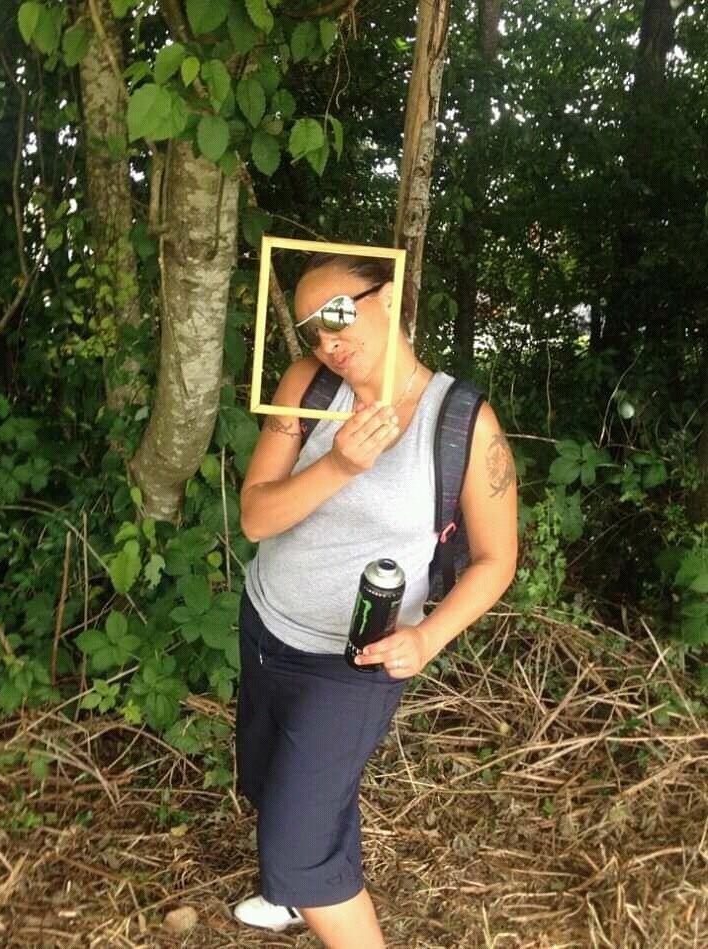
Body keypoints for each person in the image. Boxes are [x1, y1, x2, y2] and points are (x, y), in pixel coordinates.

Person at [233, 251, 517, 948]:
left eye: (337, 313)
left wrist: (428, 637)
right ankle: (295, 896)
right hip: (268, 625)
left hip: (356, 661)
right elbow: (257, 518)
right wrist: (338, 463)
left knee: (298, 847)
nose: (326, 338)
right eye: (311, 326)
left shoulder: (462, 422)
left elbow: (497, 559)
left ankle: (303, 884)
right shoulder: (308, 385)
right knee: (271, 782)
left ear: (388, 296)